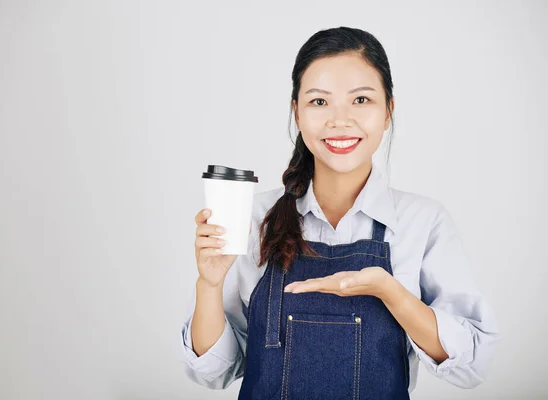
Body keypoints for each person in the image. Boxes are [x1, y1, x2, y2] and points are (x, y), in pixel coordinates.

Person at [180, 26, 500, 399]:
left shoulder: (423, 222)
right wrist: (210, 284)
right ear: (296, 112)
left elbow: (473, 365)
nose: (340, 120)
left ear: (388, 111)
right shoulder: (254, 217)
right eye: (319, 102)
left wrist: (391, 293)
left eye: (361, 100)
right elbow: (213, 371)